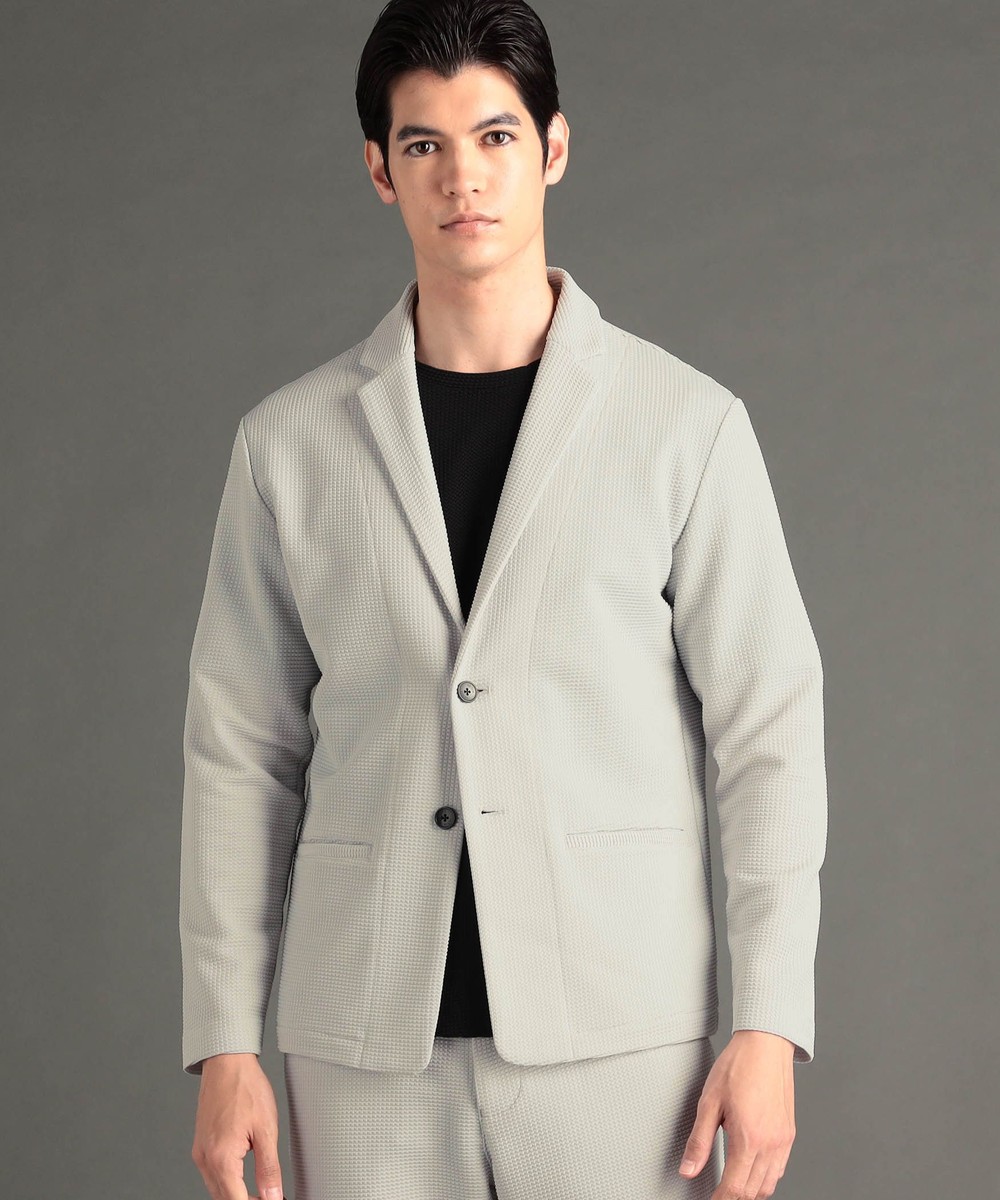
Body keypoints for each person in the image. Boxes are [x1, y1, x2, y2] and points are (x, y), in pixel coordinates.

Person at [179, 2, 828, 1198]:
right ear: (379, 169)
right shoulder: (289, 445)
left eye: (494, 137)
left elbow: (768, 729)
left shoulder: (683, 426)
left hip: (621, 1033)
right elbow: (239, 750)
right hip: (362, 1035)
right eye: (423, 144)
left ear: (554, 148)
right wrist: (224, 1038)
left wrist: (770, 1021)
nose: (462, 177)